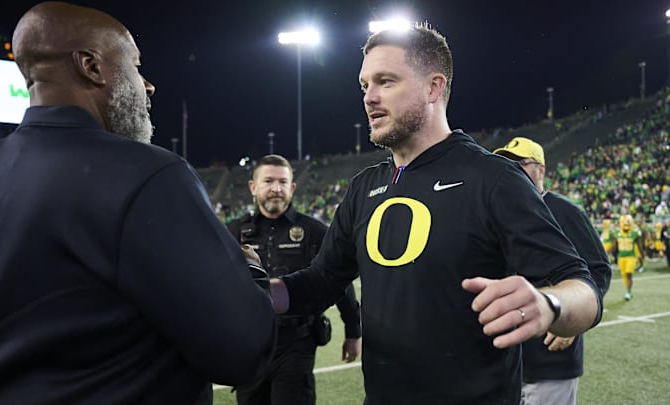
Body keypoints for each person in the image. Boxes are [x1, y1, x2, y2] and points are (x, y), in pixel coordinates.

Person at [0, 2, 275, 404]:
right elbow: (241, 352)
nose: (148, 85)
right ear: (91, 66)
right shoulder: (147, 175)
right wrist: (252, 275)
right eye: (136, 67)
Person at [268, 24, 602, 404]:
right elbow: (321, 281)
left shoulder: (493, 178)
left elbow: (584, 291)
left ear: (433, 87)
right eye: (364, 86)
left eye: (386, 81)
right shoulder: (363, 188)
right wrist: (264, 292)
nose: (369, 97)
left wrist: (549, 304)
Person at [227, 154, 362, 405]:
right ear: (253, 187)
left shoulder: (315, 231)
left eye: (282, 182)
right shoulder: (234, 232)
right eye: (268, 181)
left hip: (296, 343)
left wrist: (353, 332)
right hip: (250, 345)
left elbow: (339, 283)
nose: (276, 188)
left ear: (292, 187)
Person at [494, 137, 611, 405]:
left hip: (550, 356)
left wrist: (571, 317)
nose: (513, 171)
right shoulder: (499, 211)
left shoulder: (565, 211)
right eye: (507, 165)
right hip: (505, 357)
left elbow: (598, 269)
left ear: (541, 169)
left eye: (520, 164)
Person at [614, 214, 644, 300]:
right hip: (621, 257)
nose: (626, 224)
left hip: (631, 257)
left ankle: (627, 292)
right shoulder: (617, 233)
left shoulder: (634, 233)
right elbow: (614, 246)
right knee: (624, 276)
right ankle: (629, 291)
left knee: (628, 274)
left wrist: (642, 255)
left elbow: (639, 245)